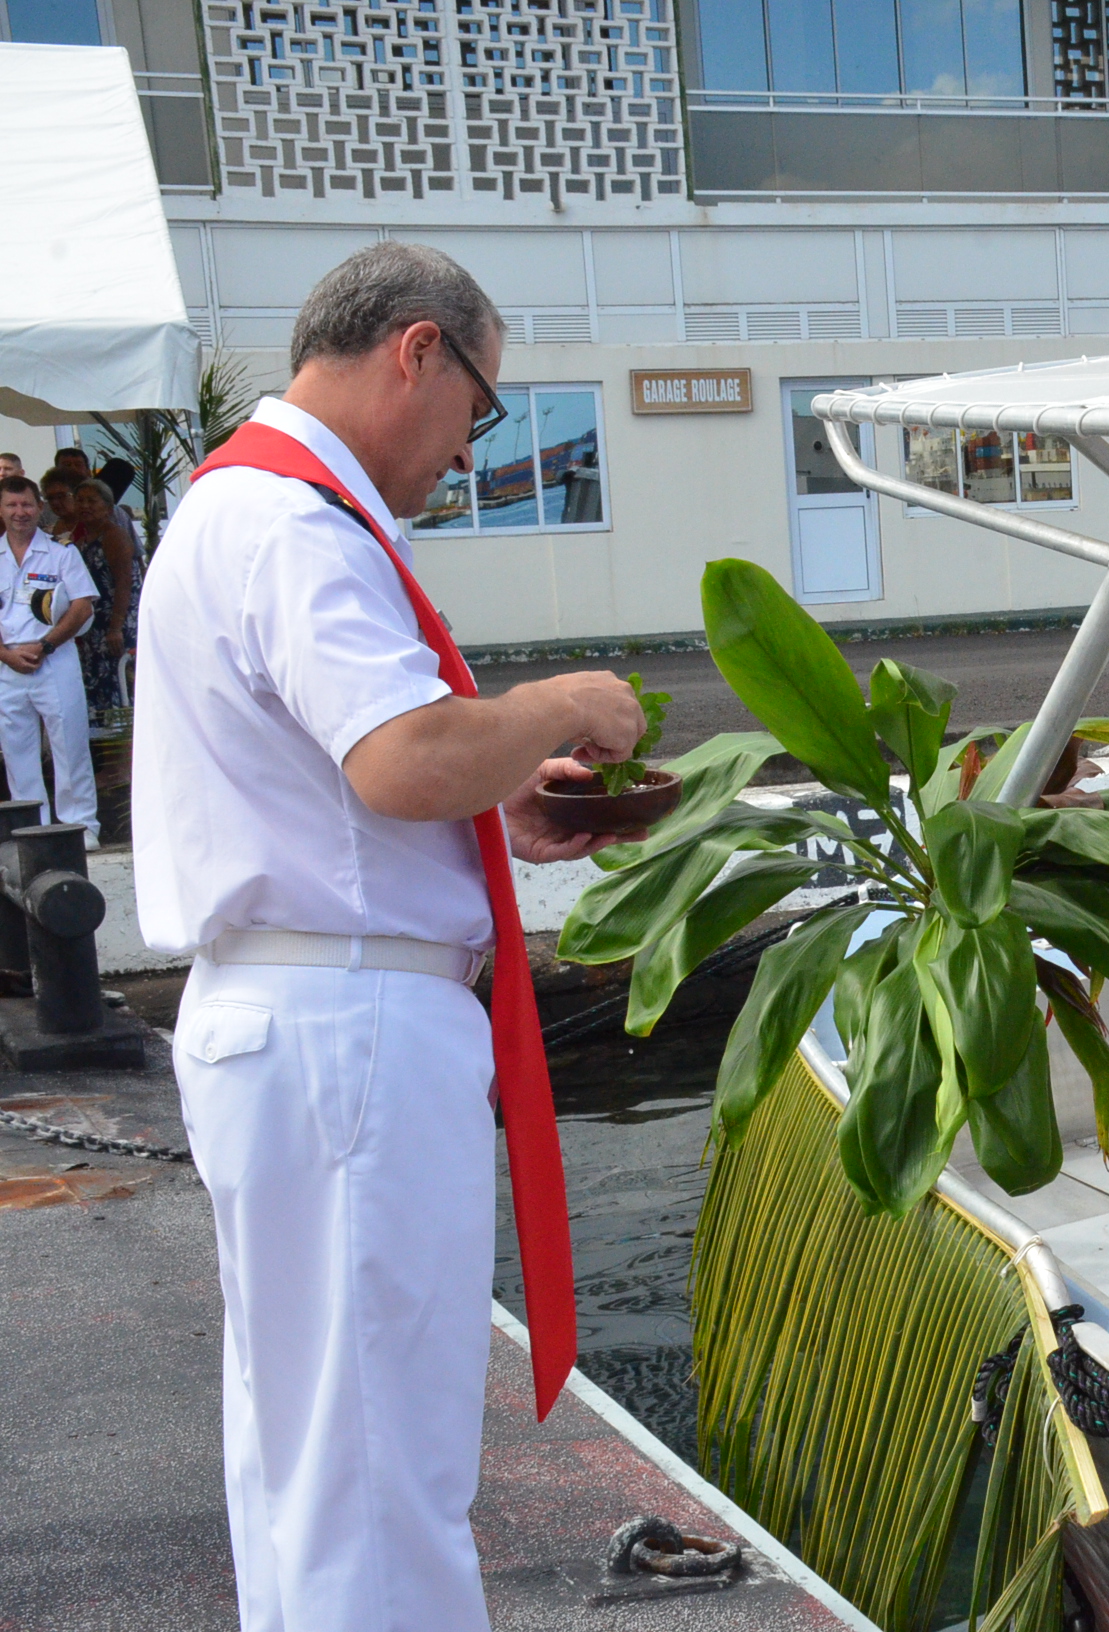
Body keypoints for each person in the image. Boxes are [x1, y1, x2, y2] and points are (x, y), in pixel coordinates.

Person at [133, 241, 646, 1632]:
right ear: (418, 351)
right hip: (345, 1029)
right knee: (377, 1469)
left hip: (293, 1011)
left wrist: (499, 795)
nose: (470, 452)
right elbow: (404, 756)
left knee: (310, 1457)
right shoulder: (298, 525)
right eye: (480, 409)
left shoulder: (235, 507)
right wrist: (557, 707)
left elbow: (352, 777)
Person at [0, 475, 98, 844]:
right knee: (18, 753)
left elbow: (82, 606)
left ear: (39, 508)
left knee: (70, 746)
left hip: (54, 657)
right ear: (0, 510)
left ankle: (81, 827)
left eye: (27, 504)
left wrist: (45, 646)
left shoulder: (61, 553)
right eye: (11, 505)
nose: (20, 512)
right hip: (8, 663)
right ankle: (34, 832)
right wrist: (6, 655)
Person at [64, 477, 136, 722]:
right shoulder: (80, 539)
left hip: (116, 622)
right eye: (80, 500)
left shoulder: (114, 536)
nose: (85, 506)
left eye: (91, 501)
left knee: (119, 681)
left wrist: (115, 627)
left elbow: (124, 583)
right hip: (93, 626)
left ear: (107, 507)